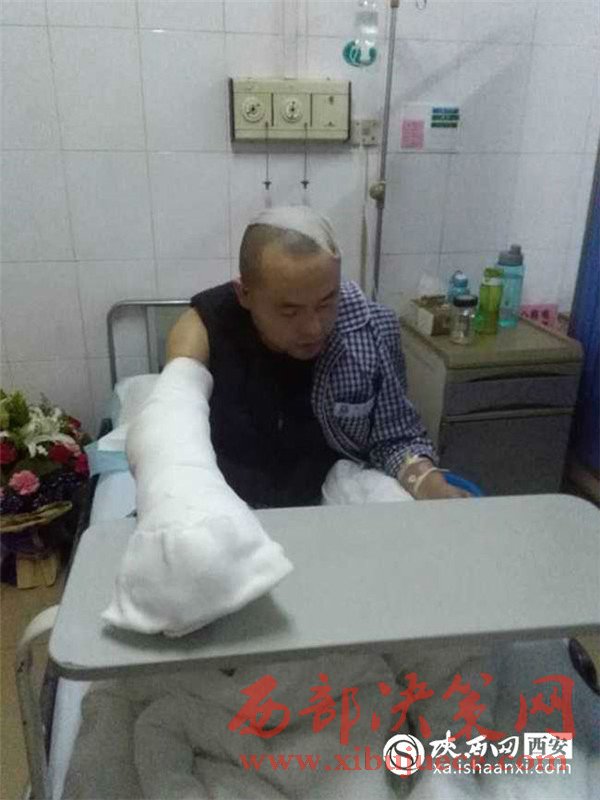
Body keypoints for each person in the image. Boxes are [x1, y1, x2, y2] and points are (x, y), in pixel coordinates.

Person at [167, 205, 468, 508]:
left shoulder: (370, 330)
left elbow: (395, 437)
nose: (314, 328)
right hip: (230, 501)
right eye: (290, 311)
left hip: (327, 498)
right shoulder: (207, 326)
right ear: (245, 294)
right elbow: (175, 425)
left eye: (327, 302)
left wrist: (429, 484)